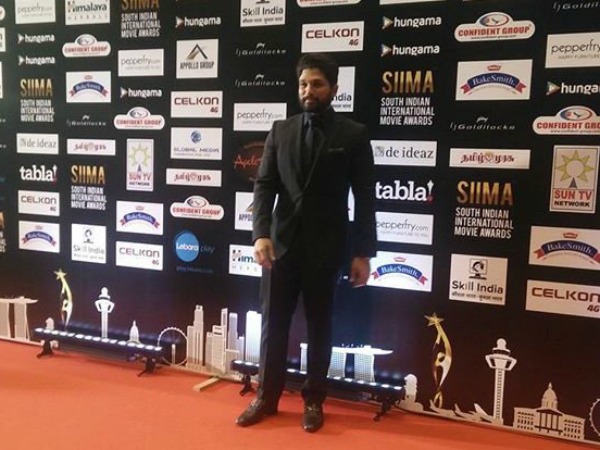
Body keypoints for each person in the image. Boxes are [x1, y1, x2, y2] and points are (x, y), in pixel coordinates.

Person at [236, 53, 376, 432]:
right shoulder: (280, 130)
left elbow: (365, 196)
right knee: (273, 325)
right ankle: (266, 397)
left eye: (316, 84)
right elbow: (264, 185)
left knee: (319, 327)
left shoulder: (353, 135)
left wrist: (363, 252)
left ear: (333, 89)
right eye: (303, 84)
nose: (308, 90)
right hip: (281, 247)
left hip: (326, 248)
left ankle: (314, 400)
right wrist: (260, 233)